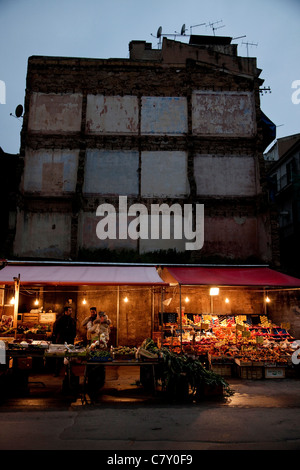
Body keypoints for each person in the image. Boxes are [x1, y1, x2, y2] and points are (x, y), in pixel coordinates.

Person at [52, 306, 76, 377]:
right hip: (61, 340)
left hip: (69, 340)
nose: (71, 312)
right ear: (65, 311)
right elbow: (55, 328)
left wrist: (73, 336)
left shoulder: (72, 320)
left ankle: (68, 372)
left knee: (69, 357)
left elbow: (74, 329)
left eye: (71, 310)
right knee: (60, 356)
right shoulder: (60, 319)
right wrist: (57, 336)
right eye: (69, 311)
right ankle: (57, 372)